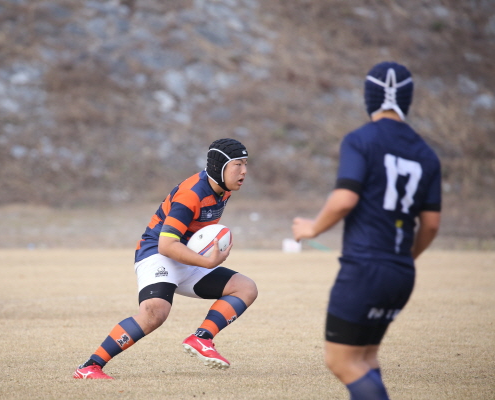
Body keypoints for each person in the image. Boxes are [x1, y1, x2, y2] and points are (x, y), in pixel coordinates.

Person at [292, 61, 441, 400]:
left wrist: (312, 228)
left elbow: (344, 200)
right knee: (365, 358)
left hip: (364, 269)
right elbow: (431, 224)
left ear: (369, 97)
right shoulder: (426, 154)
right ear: (408, 99)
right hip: (401, 272)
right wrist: (405, 258)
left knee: (342, 361)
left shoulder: (360, 140)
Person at [74, 138, 258, 380]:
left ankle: (202, 339)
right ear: (218, 167)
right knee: (154, 313)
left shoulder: (223, 190)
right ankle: (90, 367)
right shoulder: (191, 194)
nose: (244, 171)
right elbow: (166, 244)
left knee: (245, 288)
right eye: (237, 164)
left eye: (245, 164)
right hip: (157, 254)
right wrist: (207, 262)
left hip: (185, 255)